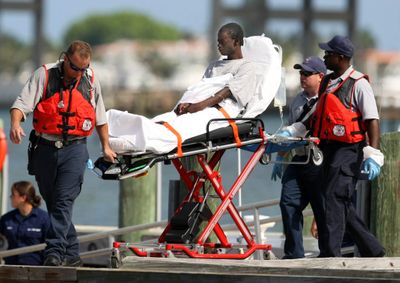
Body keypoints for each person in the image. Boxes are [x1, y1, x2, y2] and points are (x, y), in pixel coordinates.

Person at [9, 40, 116, 266]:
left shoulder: (90, 81)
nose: (79, 73)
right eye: (75, 68)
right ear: (65, 59)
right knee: (54, 202)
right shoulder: (45, 75)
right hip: (44, 148)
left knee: (63, 201)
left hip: (76, 149)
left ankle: (54, 253)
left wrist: (106, 146)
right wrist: (16, 124)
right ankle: (73, 254)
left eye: (83, 69)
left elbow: (100, 116)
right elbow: (21, 104)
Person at [106, 22, 281, 154]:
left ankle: (138, 141)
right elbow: (202, 88)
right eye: (217, 42)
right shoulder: (214, 65)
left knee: (183, 126)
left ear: (236, 42)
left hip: (220, 112)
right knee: (167, 118)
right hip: (200, 105)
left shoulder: (246, 67)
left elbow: (226, 92)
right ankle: (124, 134)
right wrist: (187, 102)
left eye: (222, 42)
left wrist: (199, 106)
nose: (218, 45)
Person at [283, 35, 385, 257]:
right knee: (341, 202)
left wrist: (373, 154)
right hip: (327, 150)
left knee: (333, 198)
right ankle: (373, 250)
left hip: (349, 150)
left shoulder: (359, 84)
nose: (324, 56)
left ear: (341, 57)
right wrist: (295, 130)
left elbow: (372, 120)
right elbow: (316, 114)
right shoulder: (328, 82)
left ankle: (331, 255)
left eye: (328, 54)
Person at [271, 56, 326, 258]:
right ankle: (294, 253)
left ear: (320, 76)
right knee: (288, 201)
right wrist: (279, 157)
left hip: (319, 161)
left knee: (322, 208)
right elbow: (290, 133)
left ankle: (328, 253)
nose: (302, 77)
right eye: (300, 73)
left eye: (307, 73)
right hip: (298, 159)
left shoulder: (328, 99)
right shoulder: (298, 101)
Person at [0, 181, 50, 265]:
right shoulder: (6, 219)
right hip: (10, 268)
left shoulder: (44, 219)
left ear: (23, 197)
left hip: (36, 269)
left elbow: (50, 245)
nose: (10, 197)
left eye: (13, 195)